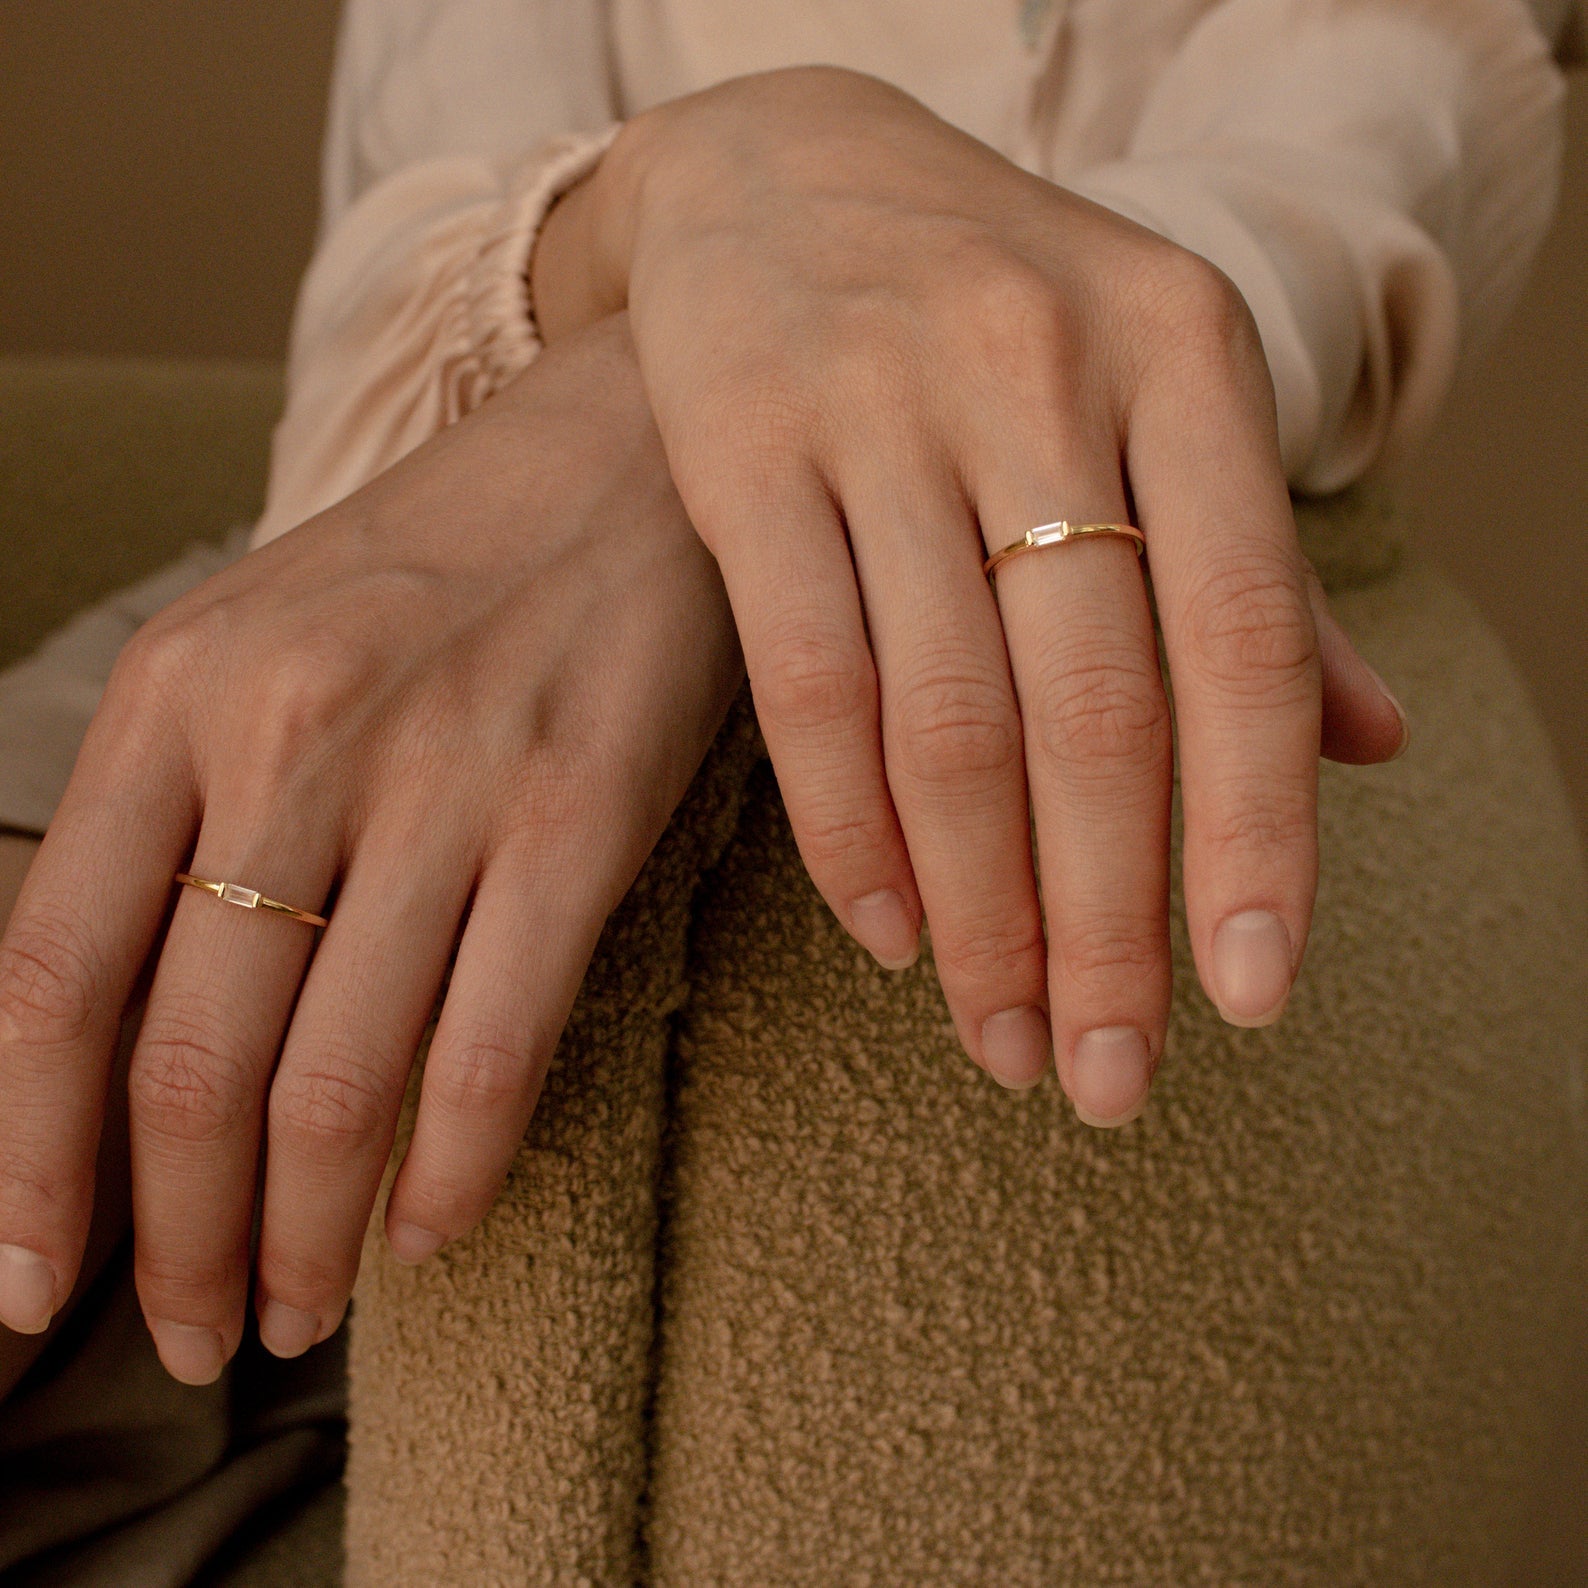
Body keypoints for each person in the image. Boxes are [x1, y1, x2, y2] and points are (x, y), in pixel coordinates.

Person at [1, 1, 1584, 1582]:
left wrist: (707, 364)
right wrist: (717, 190)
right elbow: (394, 278)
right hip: (316, 630)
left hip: (849, 688)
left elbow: (1323, 196)